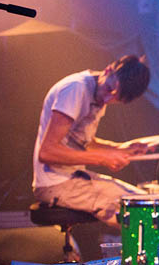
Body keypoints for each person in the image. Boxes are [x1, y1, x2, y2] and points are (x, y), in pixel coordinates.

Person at [32, 55, 151, 228]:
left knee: (145, 201)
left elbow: (84, 142)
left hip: (73, 177)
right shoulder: (75, 89)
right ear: (108, 70)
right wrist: (103, 159)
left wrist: (121, 149)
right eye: (110, 89)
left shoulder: (98, 93)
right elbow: (47, 152)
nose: (108, 100)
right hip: (55, 184)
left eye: (116, 99)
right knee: (139, 212)